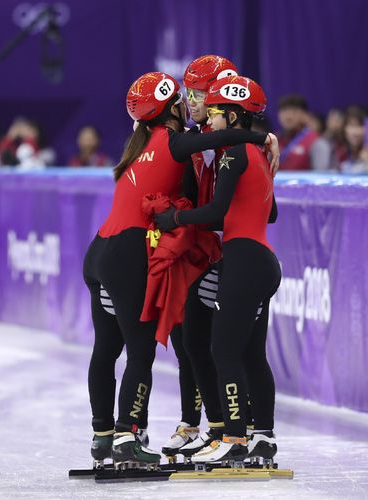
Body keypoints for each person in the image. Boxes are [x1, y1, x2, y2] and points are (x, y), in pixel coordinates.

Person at [82, 71, 279, 467]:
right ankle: (127, 436)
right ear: (172, 108)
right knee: (141, 351)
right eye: (183, 100)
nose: (194, 108)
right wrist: (262, 137)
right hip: (127, 253)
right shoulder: (172, 141)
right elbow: (218, 139)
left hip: (99, 252)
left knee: (106, 349)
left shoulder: (135, 146)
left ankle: (103, 436)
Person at [155, 75, 281, 464]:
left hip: (242, 261)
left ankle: (235, 438)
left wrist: (171, 217)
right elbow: (271, 212)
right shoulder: (257, 154)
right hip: (261, 259)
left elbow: (216, 212)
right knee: (252, 355)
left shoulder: (231, 154)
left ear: (230, 114)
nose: (209, 120)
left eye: (213, 112)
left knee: (223, 351)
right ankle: (263, 436)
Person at [161, 54, 241, 458]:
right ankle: (195, 422)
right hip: (191, 245)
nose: (190, 100)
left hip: (216, 250)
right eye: (187, 93)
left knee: (199, 341)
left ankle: (225, 427)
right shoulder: (198, 134)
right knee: (185, 339)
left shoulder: (229, 135)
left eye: (198, 94)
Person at [277, 94, 318, 170]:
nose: (288, 117)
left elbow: (321, 177)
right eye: (284, 111)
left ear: (305, 115)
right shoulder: (274, 139)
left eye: (294, 111)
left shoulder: (315, 141)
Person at [340, 106, 368, 174]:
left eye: (359, 126)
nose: (355, 132)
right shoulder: (339, 152)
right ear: (344, 128)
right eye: (351, 125)